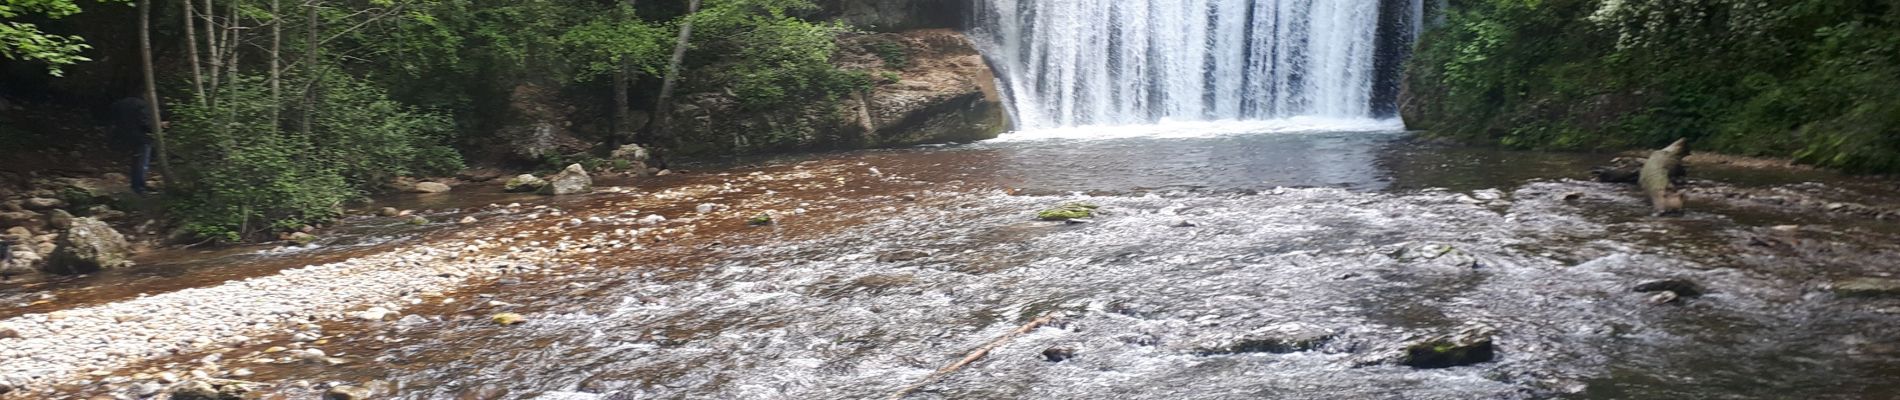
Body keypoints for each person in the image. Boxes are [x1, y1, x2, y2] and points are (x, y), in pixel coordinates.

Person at [110, 96, 161, 194]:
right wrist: (157, 127)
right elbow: (144, 123)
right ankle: (139, 187)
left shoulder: (120, 103)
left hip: (127, 136)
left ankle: (135, 185)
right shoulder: (142, 105)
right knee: (142, 162)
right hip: (141, 138)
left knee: (136, 161)